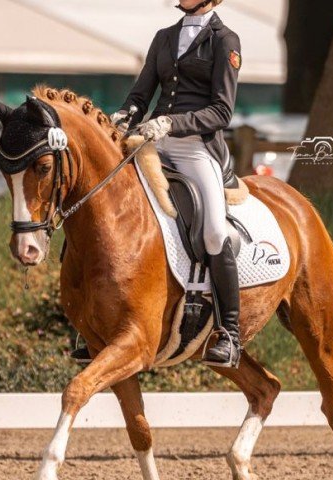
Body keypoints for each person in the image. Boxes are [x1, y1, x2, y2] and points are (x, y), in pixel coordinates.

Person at [111, 0, 242, 367]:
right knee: (106, 200)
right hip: (152, 142)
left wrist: (173, 124)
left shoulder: (225, 41)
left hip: (195, 148)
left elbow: (222, 111)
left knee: (215, 232)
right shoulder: (164, 37)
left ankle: (230, 334)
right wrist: (125, 115)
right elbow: (141, 94)